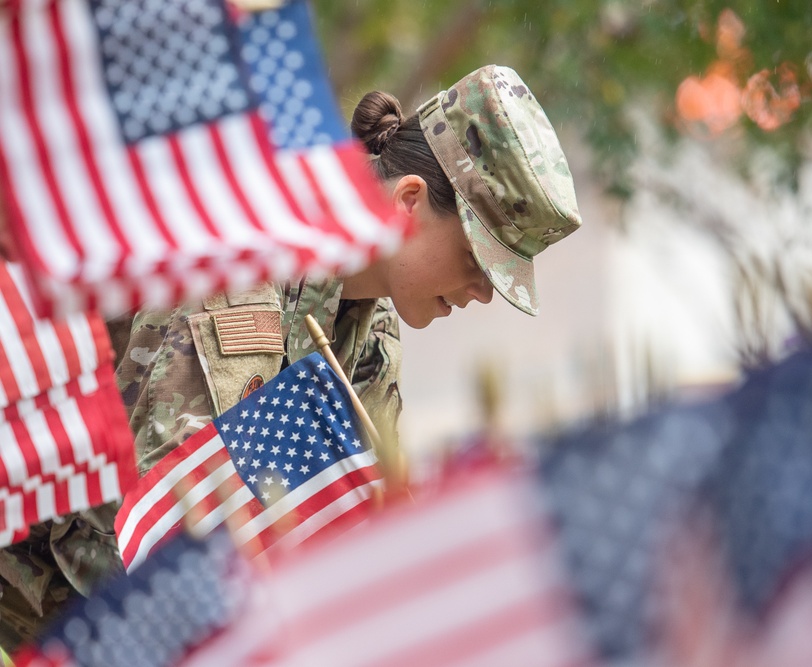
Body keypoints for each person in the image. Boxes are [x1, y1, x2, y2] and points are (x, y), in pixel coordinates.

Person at [0, 63, 582, 651]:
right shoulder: (245, 263)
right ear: (409, 201)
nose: (483, 292)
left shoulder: (371, 334)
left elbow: (357, 537)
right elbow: (178, 539)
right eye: (477, 261)